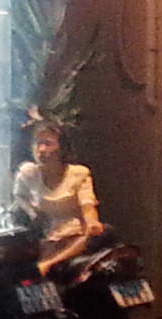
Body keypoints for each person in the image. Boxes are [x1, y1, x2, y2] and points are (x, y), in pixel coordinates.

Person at [8, 115, 105, 269]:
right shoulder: (28, 174)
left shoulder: (78, 173)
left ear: (61, 148)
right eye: (37, 143)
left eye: (48, 144)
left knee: (95, 237)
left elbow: (87, 205)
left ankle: (48, 265)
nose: (41, 150)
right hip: (51, 237)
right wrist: (32, 212)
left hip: (78, 235)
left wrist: (92, 222)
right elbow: (19, 195)